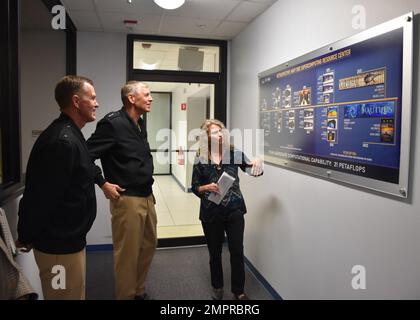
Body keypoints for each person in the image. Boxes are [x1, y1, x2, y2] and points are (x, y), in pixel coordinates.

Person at [16, 75, 99, 300]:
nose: (96, 103)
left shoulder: (72, 134)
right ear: (75, 101)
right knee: (62, 296)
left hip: (69, 244)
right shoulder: (61, 142)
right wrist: (26, 234)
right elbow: (41, 198)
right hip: (58, 249)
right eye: (91, 98)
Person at [86, 81, 156, 300]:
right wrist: (102, 183)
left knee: (148, 246)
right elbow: (85, 154)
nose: (150, 98)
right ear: (131, 99)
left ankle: (138, 290)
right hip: (127, 199)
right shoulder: (112, 124)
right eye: (146, 94)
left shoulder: (140, 123)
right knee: (127, 254)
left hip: (147, 196)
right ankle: (126, 295)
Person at [191, 119, 263, 300]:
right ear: (207, 137)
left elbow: (253, 171)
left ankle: (238, 291)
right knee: (215, 252)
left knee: (237, 250)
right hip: (211, 212)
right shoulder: (200, 157)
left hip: (234, 209)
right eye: (215, 132)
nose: (220, 134)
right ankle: (217, 286)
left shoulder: (234, 153)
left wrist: (257, 164)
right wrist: (205, 188)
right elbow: (195, 187)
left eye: (221, 130)